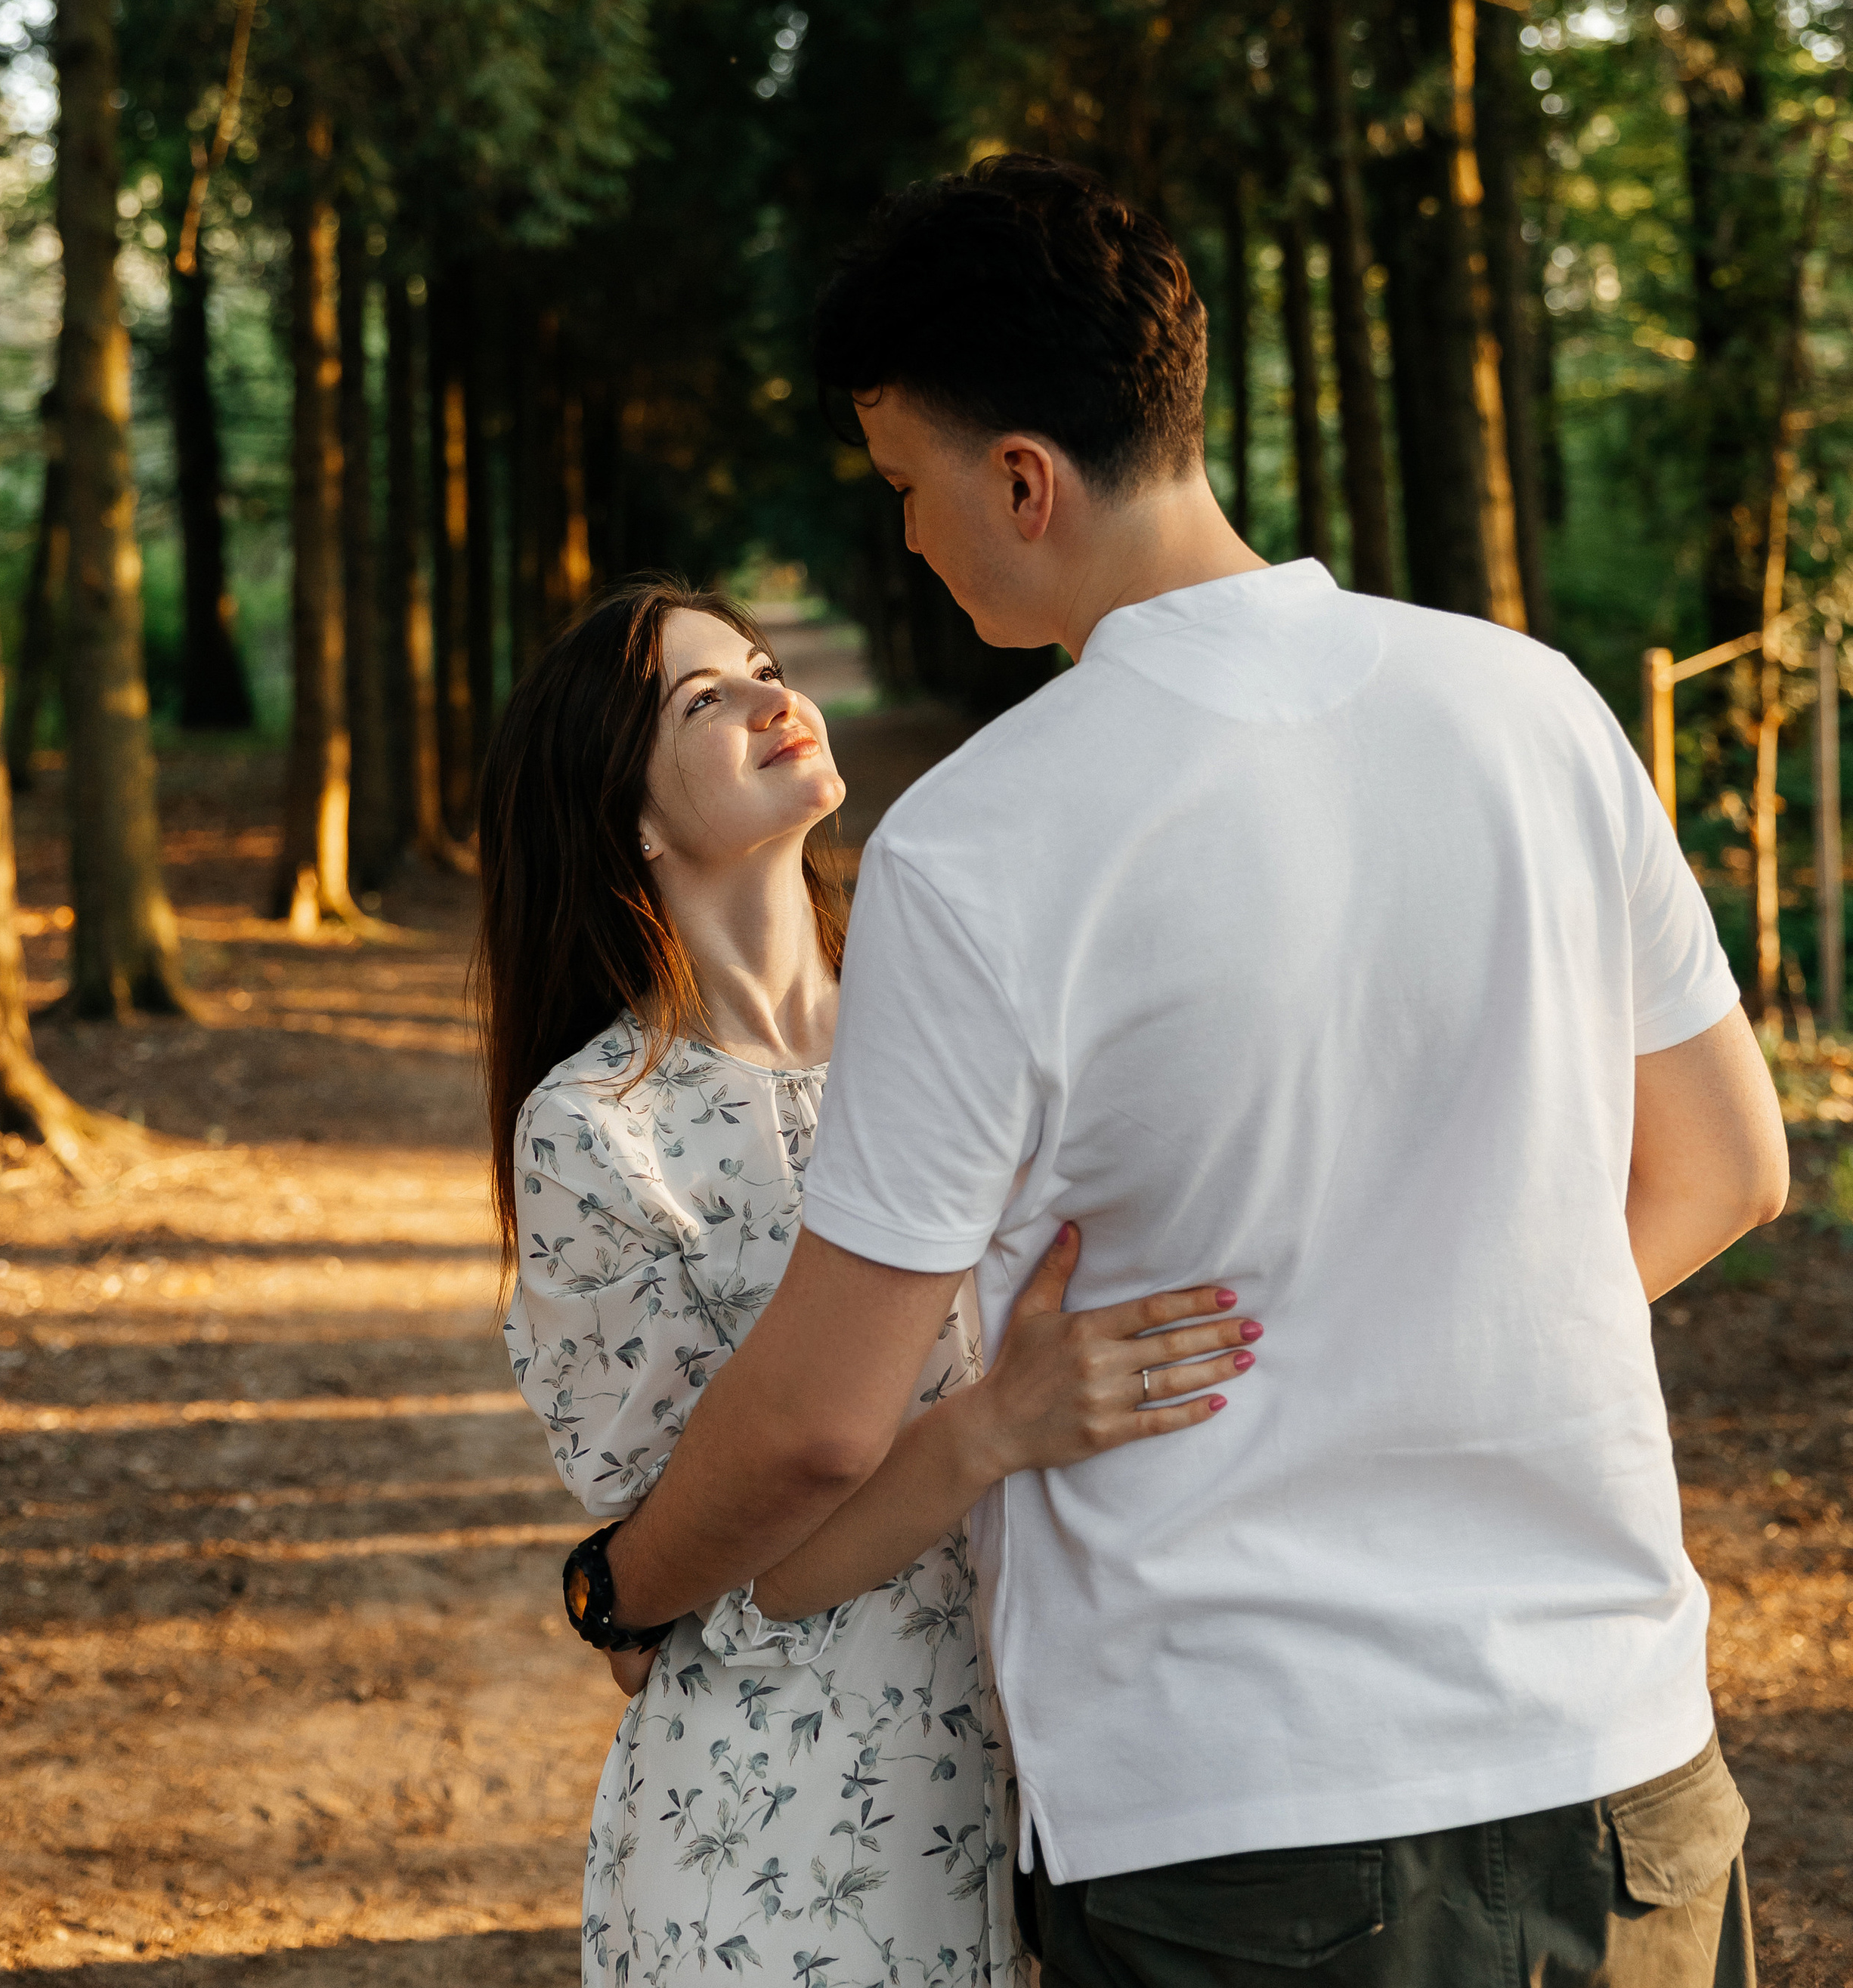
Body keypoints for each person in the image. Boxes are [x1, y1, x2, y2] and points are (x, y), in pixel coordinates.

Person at [595, 155, 1791, 1987]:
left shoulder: (981, 842)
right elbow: (1721, 1168)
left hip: (1241, 1830)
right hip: (1622, 1777)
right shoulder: (1531, 705)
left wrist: (620, 1581)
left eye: (907, 487)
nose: (906, 539)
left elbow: (828, 1417)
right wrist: (1423, 1328)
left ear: (1021, 480)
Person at [478, 576, 1259, 1987]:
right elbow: (718, 1582)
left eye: (768, 666)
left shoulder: (963, 1015)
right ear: (630, 819)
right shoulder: (600, 1132)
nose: (775, 698)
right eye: (700, 703)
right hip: (792, 1815)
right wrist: (991, 1428)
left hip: (1089, 1752)